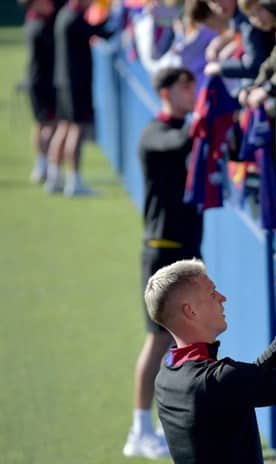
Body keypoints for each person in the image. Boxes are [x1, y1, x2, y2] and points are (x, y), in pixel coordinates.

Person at [148, 259, 276, 463]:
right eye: (212, 294)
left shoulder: (167, 375)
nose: (222, 298)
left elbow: (249, 383)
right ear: (190, 311)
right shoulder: (217, 381)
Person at [123, 67, 200, 459]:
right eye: (187, 87)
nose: (193, 92)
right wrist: (208, 115)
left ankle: (165, 425)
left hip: (183, 250)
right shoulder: (155, 134)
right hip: (161, 251)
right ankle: (138, 429)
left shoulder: (182, 129)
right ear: (167, 92)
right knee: (157, 341)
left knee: (180, 340)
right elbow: (182, 142)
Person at [46, 0, 112, 195]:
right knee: (76, 129)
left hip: (65, 81)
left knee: (65, 127)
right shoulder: (73, 18)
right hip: (75, 83)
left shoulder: (65, 14)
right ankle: (73, 181)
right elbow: (101, 32)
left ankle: (54, 176)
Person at [21, 0, 57, 185]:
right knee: (50, 125)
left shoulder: (34, 21)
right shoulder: (39, 26)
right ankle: (48, 167)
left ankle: (42, 165)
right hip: (42, 84)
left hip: (36, 82)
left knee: (42, 124)